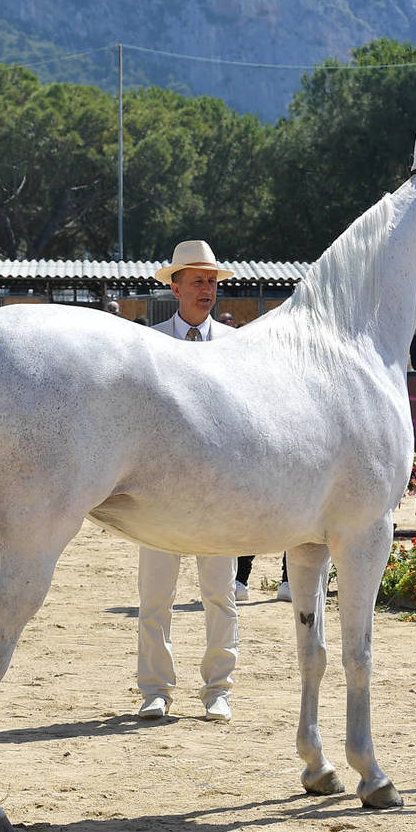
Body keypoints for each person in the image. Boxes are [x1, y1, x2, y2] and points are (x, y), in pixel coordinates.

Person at [136, 239, 239, 722]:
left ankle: (218, 688)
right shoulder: (149, 343)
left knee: (219, 594)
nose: (206, 289)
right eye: (196, 280)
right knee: (155, 598)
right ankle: (155, 689)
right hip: (159, 492)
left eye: (212, 281)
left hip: (218, 492)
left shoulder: (236, 346)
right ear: (174, 286)